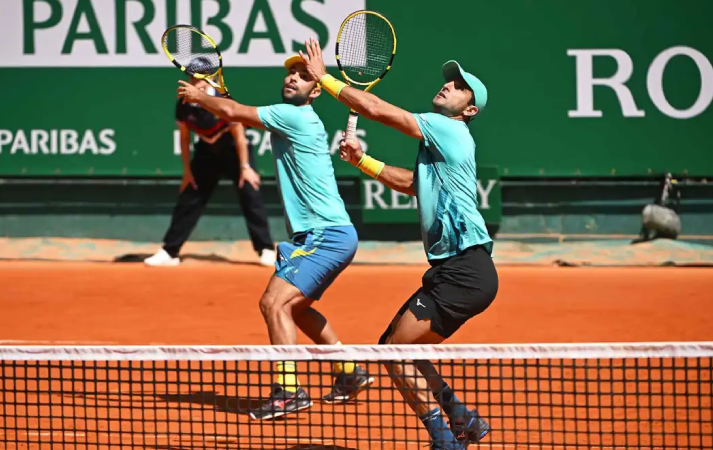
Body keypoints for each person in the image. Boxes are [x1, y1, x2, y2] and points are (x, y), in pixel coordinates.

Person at [299, 40, 498, 449]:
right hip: (460, 271)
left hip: (463, 270)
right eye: (449, 81)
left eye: (459, 86)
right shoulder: (441, 145)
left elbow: (379, 111)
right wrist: (363, 162)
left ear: (469, 109)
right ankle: (464, 419)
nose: (448, 86)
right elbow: (413, 184)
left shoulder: (448, 128)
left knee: (390, 353)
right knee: (402, 348)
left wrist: (325, 79)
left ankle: (445, 441)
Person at [176, 55, 373, 420]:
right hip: (324, 235)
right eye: (290, 73)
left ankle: (289, 391)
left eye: (303, 76)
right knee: (295, 308)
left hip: (325, 234)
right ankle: (349, 371)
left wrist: (199, 96)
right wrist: (214, 100)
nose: (292, 79)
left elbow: (233, 113)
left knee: (273, 304)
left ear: (316, 91)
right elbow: (234, 111)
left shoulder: (294, 116)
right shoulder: (292, 116)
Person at [145, 59, 276, 267]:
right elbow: (185, 138)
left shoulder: (223, 99)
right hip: (207, 152)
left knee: (250, 192)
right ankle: (169, 252)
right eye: (192, 77)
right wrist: (187, 172)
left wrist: (245, 167)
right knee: (190, 196)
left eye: (200, 77)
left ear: (212, 78)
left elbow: (239, 134)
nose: (195, 82)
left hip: (234, 149)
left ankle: (266, 249)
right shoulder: (183, 105)